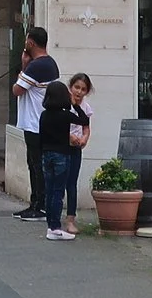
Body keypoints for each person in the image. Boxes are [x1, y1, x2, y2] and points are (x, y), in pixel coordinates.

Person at [10, 27, 60, 221]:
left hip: (35, 124)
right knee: (35, 164)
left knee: (38, 165)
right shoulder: (49, 64)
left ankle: (40, 206)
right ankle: (35, 203)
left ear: (31, 43)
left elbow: (17, 90)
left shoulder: (37, 66)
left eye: (26, 41)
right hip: (38, 123)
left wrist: (23, 66)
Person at [37, 80, 82, 240]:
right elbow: (84, 120)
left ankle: (51, 225)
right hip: (62, 155)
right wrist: (75, 105)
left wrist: (42, 153)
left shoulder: (44, 115)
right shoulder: (65, 115)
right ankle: (56, 228)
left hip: (46, 154)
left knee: (49, 190)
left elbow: (40, 137)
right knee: (58, 191)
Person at [61, 73, 95, 232]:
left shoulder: (85, 107)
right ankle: (54, 216)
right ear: (70, 87)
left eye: (83, 89)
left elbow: (86, 127)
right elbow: (56, 124)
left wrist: (84, 139)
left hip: (75, 148)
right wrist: (69, 137)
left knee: (72, 182)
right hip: (61, 146)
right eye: (77, 87)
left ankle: (71, 219)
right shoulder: (63, 103)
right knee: (59, 181)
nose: (79, 92)